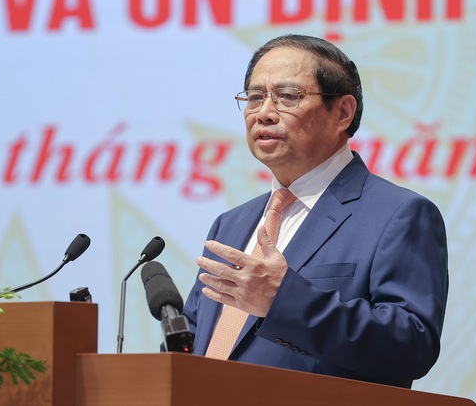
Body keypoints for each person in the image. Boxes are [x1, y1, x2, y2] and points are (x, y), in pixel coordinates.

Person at [182, 34, 448, 388]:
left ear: (342, 112)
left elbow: (411, 345)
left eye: (287, 97)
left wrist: (286, 301)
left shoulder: (399, 215)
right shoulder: (231, 224)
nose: (263, 113)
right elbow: (197, 343)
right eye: (255, 97)